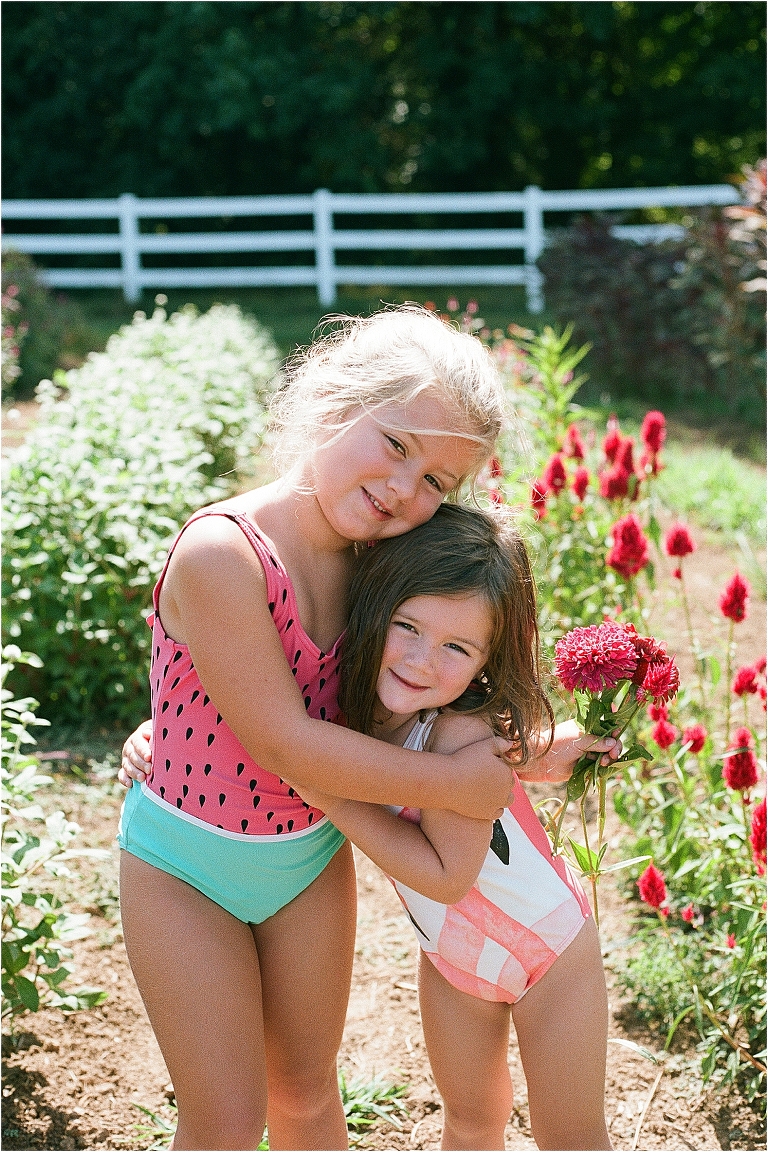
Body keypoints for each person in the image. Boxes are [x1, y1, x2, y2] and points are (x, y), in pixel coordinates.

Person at [118, 305, 619, 1150]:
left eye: (435, 482)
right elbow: (283, 740)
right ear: (333, 399)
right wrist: (459, 786)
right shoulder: (224, 552)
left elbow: (405, 713)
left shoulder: (375, 569)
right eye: (396, 446)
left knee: (309, 1095)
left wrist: (523, 753)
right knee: (227, 1121)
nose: (403, 489)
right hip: (185, 869)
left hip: (307, 862)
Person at [294, 503, 612, 1152]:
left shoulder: (459, 732)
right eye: (407, 625)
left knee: (571, 1137)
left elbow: (447, 876)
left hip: (549, 955)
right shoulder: (358, 709)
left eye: (456, 648)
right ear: (373, 605)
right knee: (468, 1123)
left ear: (486, 659)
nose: (420, 660)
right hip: (452, 962)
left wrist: (322, 788)